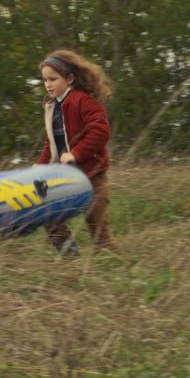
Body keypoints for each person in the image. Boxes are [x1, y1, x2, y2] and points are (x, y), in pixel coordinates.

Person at [35, 49, 116, 254]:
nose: (48, 84)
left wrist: (75, 154)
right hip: (63, 177)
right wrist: (40, 165)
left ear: (70, 78)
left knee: (99, 233)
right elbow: (51, 143)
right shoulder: (51, 106)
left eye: (53, 79)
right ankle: (70, 256)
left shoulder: (82, 100)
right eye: (45, 80)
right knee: (48, 215)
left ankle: (109, 260)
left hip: (92, 176)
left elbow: (100, 131)